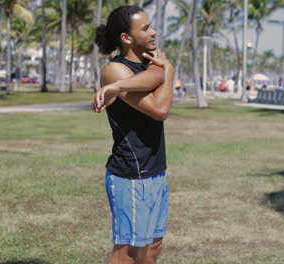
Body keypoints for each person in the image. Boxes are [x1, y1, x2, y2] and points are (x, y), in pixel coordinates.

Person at [93, 5, 173, 264]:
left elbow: (155, 75)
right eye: (146, 28)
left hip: (155, 169)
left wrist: (120, 87)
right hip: (130, 173)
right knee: (127, 253)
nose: (153, 32)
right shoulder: (113, 70)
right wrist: (167, 72)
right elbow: (159, 109)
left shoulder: (149, 62)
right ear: (126, 38)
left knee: (154, 246)